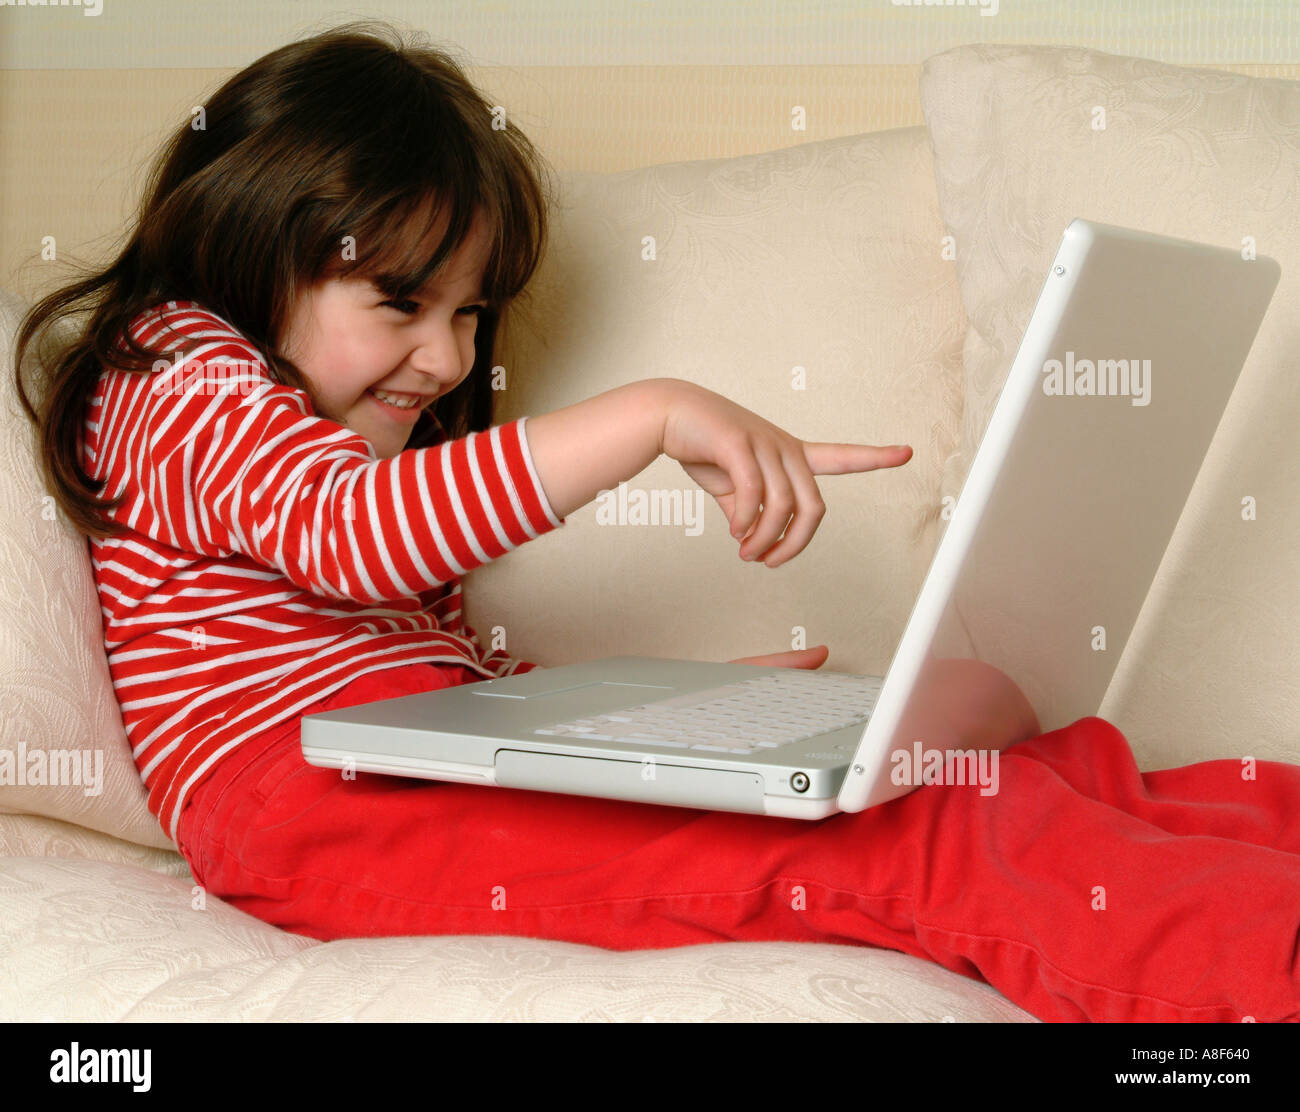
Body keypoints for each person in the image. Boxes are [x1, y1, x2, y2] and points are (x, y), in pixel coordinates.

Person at [14, 21, 1300, 1023]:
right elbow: (350, 533)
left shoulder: (312, 439)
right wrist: (656, 413)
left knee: (1009, 759)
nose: (443, 356)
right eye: (400, 301)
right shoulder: (164, 367)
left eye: (466, 314)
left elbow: (421, 675)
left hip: (401, 764)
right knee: (915, 831)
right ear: (243, 241)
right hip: (307, 811)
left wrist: (640, 715)